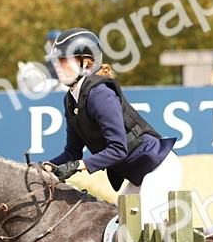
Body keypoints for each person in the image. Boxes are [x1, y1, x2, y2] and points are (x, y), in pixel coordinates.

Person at [41, 28, 182, 225]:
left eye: (64, 60)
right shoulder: (71, 100)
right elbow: (72, 152)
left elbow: (118, 149)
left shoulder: (100, 94)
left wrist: (79, 167)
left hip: (158, 168)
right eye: (57, 61)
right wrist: (44, 167)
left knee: (139, 229)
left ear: (85, 63)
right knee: (117, 227)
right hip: (138, 175)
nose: (58, 66)